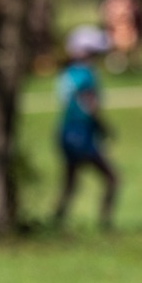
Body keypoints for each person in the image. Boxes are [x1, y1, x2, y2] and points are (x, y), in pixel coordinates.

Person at [51, 25, 119, 230]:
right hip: (81, 135)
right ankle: (105, 222)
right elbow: (90, 106)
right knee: (112, 178)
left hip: (65, 132)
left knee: (70, 183)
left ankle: (56, 220)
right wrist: (104, 127)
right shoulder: (87, 75)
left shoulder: (67, 74)